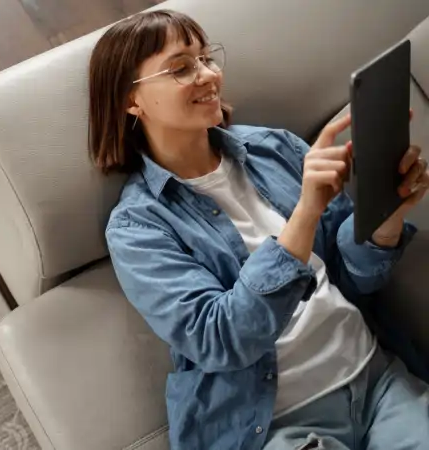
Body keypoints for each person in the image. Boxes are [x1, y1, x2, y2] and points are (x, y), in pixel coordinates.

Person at [88, 9, 429, 450]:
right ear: (130, 101)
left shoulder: (275, 148)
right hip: (277, 425)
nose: (208, 75)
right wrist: (305, 213)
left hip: (376, 380)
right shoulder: (137, 226)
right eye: (181, 68)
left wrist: (387, 213)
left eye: (206, 58)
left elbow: (352, 278)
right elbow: (221, 339)